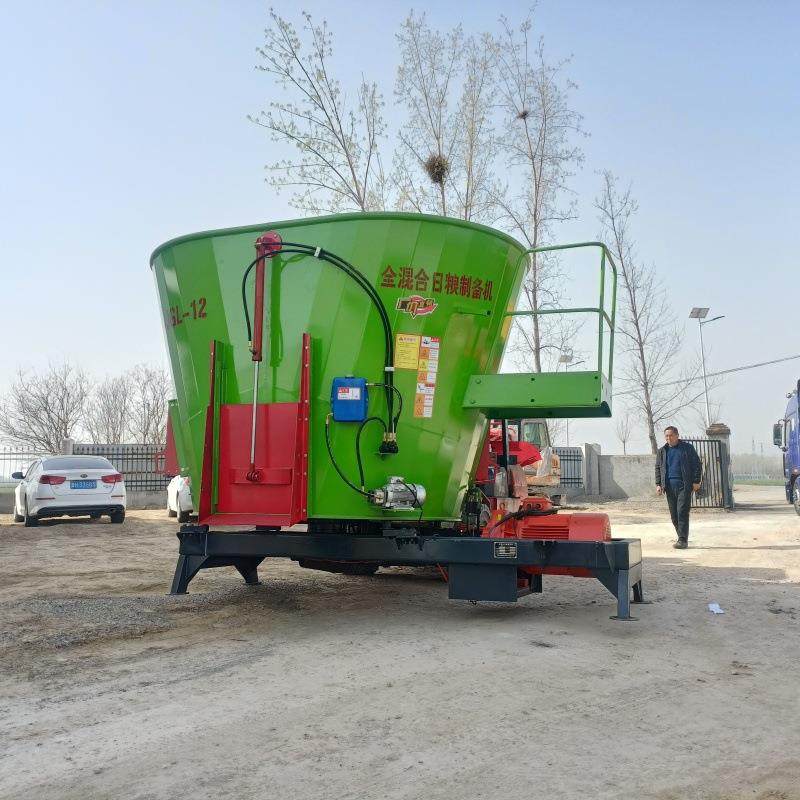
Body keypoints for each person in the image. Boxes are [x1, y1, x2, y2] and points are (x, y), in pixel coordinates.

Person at [654, 425, 702, 549]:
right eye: (666, 436)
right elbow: (658, 468)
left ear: (677, 435)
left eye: (670, 435)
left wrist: (696, 481)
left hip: (684, 486)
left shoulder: (687, 449)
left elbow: (697, 464)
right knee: (674, 515)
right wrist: (658, 484)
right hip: (669, 488)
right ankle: (681, 537)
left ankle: (682, 540)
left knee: (682, 512)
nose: (668, 438)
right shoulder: (662, 451)